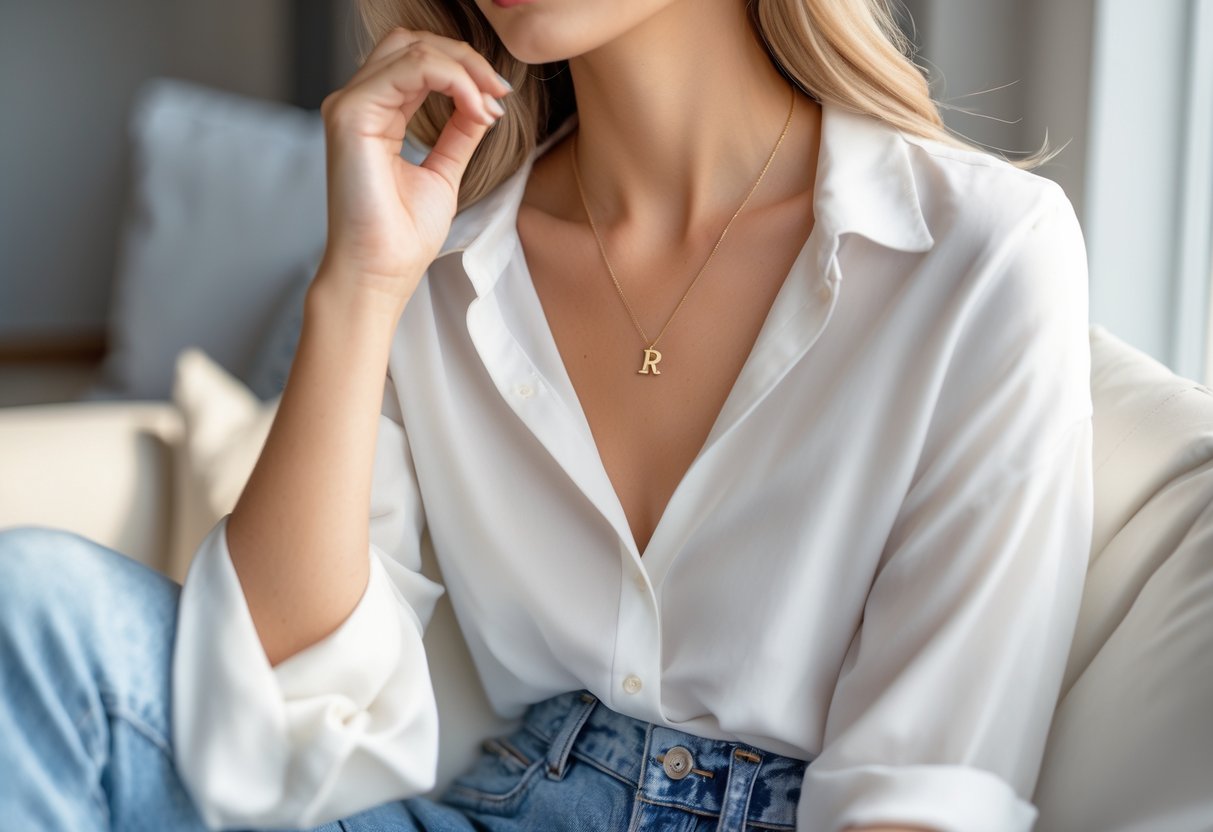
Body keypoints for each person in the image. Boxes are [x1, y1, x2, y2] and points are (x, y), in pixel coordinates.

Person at [0, 0, 1095, 830]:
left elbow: (928, 791)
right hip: (495, 801)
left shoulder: (979, 256)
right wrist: (360, 286)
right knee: (36, 606)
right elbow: (271, 730)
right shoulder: (442, 266)